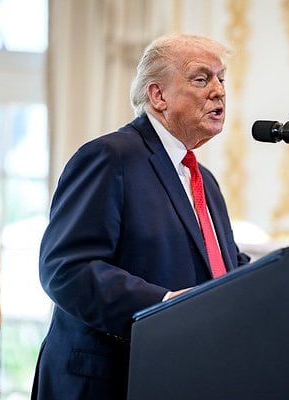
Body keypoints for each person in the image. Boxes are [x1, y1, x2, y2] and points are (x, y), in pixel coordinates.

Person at [31, 33, 250, 399]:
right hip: (109, 382)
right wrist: (164, 306)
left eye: (221, 79)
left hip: (180, 378)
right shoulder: (110, 157)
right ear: (158, 95)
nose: (218, 91)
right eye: (201, 79)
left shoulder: (204, 182)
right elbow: (66, 269)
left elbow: (223, 271)